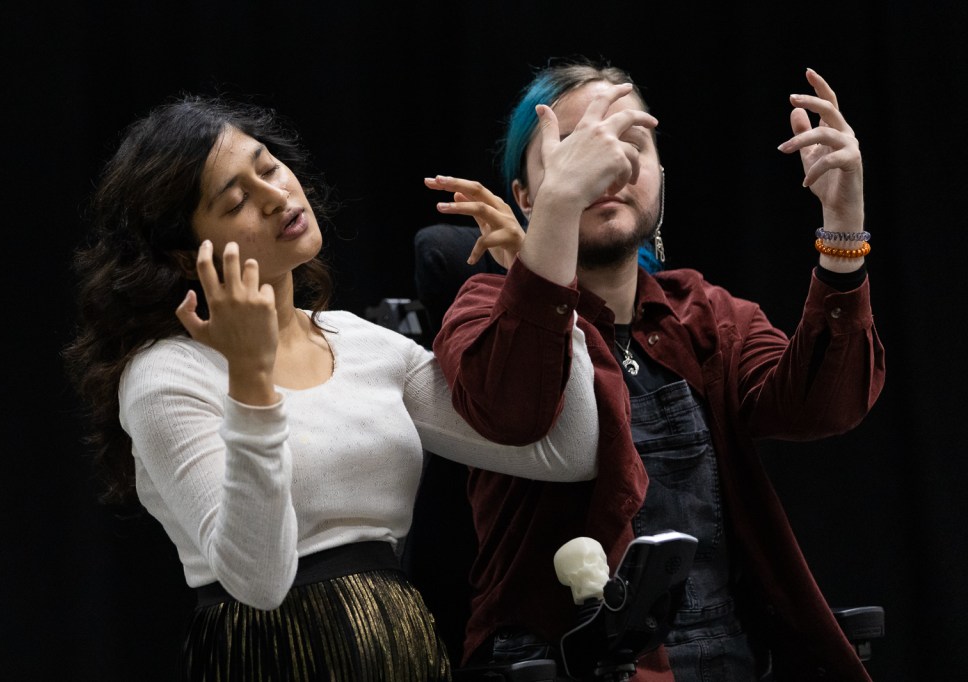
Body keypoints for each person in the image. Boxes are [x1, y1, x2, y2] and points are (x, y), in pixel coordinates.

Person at [61, 94, 604, 681]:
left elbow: (564, 453)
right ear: (188, 257)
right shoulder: (166, 374)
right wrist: (251, 382)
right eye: (237, 201)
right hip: (266, 658)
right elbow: (260, 582)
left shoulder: (363, 343)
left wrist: (541, 283)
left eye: (269, 168)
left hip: (400, 647)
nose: (277, 196)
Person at [424, 59, 885, 681]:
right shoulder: (481, 308)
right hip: (569, 661)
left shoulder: (704, 311)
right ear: (526, 196)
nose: (609, 164)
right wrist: (557, 217)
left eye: (631, 143)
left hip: (728, 655)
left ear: (660, 177)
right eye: (577, 147)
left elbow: (821, 407)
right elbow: (516, 412)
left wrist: (843, 230)